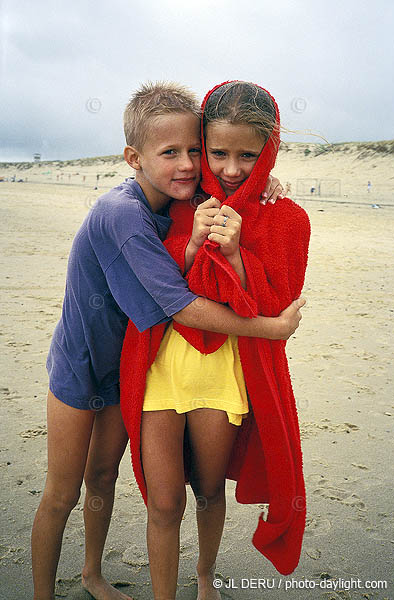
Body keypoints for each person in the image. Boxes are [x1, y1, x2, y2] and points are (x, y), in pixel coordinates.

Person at [31, 81, 298, 600]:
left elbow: (233, 179)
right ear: (133, 157)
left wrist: (267, 181)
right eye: (170, 152)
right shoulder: (123, 214)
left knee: (104, 477)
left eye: (194, 151)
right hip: (81, 368)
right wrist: (270, 329)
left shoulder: (180, 201)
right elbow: (178, 304)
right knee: (63, 493)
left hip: (128, 368)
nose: (189, 164)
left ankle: (91, 575)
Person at [120, 81, 310, 600]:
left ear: (268, 152)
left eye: (248, 155)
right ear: (203, 144)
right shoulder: (178, 201)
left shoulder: (288, 217)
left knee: (208, 490)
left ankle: (204, 577)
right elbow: (158, 286)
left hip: (224, 373)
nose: (230, 169)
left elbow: (277, 304)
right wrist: (197, 242)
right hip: (161, 364)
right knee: (163, 503)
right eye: (218, 152)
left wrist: (236, 257)